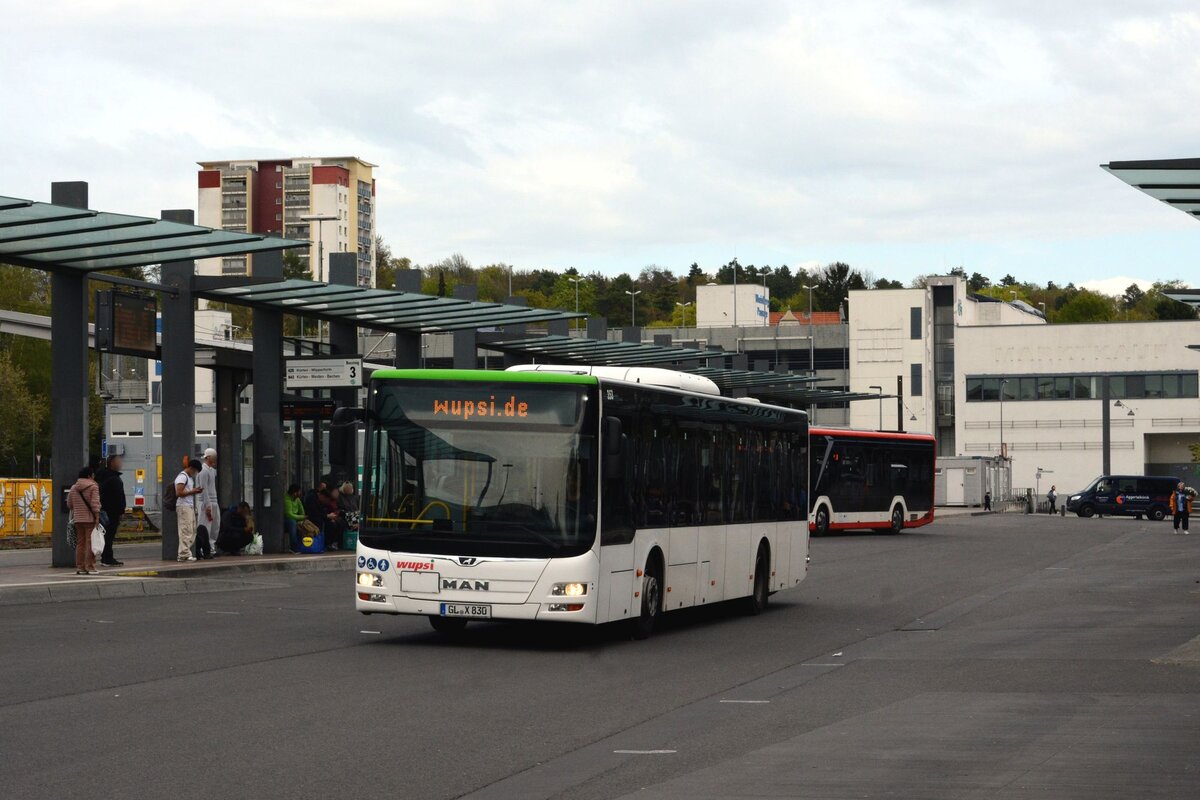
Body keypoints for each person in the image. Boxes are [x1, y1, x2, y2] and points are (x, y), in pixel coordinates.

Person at [93, 454, 127, 566]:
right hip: (112, 511)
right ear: (112, 463)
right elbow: (118, 496)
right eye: (118, 461)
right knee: (109, 535)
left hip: (103, 510)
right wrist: (121, 510)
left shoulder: (101, 477)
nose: (120, 463)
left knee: (105, 534)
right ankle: (107, 557)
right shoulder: (114, 479)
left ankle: (105, 556)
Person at [68, 466, 101, 576]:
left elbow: (69, 504)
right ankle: (90, 566)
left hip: (78, 519)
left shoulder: (73, 488)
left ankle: (80, 567)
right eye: (93, 475)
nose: (94, 477)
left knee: (80, 543)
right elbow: (95, 504)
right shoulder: (93, 487)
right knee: (90, 543)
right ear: (89, 476)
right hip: (90, 519)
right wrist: (97, 517)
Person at [174, 459, 203, 562]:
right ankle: (183, 554)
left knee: (192, 530)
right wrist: (192, 491)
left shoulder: (189, 478)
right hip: (183, 507)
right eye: (195, 471)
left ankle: (185, 552)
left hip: (189, 506)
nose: (195, 474)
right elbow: (179, 493)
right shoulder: (182, 477)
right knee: (185, 530)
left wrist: (194, 491)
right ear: (191, 468)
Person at [194, 448, 220, 559]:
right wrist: (208, 505)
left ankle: (211, 547)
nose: (215, 458)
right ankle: (204, 549)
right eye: (213, 456)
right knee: (205, 527)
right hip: (206, 503)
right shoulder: (203, 471)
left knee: (214, 526)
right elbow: (203, 489)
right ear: (208, 457)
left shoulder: (212, 470)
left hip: (213, 501)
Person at [337, 481, 361, 548]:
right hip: (346, 516)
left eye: (350, 488)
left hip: (355, 516)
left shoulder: (355, 498)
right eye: (347, 488)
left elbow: (358, 508)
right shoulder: (340, 498)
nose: (349, 490)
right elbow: (341, 510)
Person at [284, 484, 306, 553]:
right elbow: (289, 515)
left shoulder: (297, 499)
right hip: (286, 520)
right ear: (294, 493)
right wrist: (302, 517)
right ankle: (293, 546)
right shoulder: (286, 499)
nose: (300, 493)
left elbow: (302, 511)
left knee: (305, 524)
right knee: (292, 522)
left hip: (296, 517)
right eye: (299, 491)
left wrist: (303, 518)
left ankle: (303, 545)